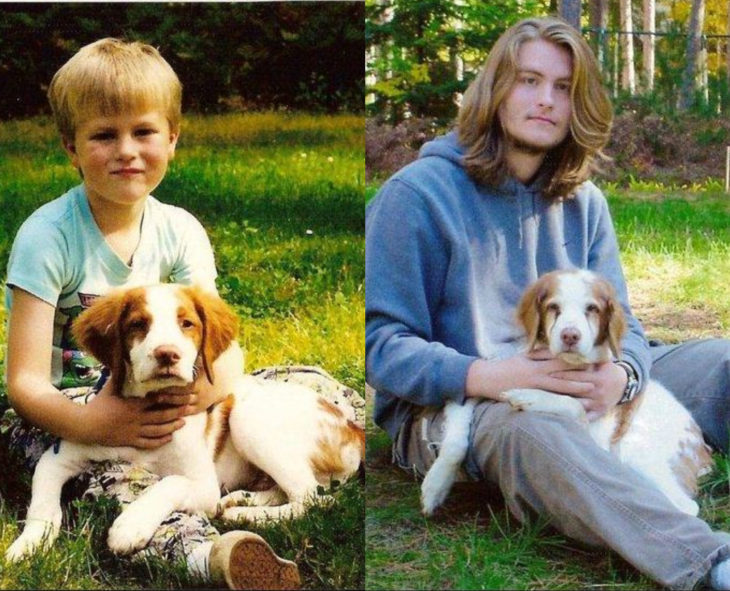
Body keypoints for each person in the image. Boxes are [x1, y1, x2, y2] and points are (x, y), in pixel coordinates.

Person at [365, 16, 730, 590]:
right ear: (494, 89)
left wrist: (625, 376)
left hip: (586, 372)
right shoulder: (415, 197)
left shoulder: (585, 201)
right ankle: (707, 561)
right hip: (469, 405)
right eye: (529, 81)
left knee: (725, 361)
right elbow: (382, 349)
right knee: (536, 433)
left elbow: (625, 325)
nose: (546, 101)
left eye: (563, 88)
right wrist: (490, 374)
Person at [2, 38, 303, 590]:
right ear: (70, 147)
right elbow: (23, 381)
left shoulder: (181, 230)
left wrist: (196, 401)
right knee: (115, 482)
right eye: (103, 135)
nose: (126, 151)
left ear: (172, 138)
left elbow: (221, 349)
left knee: (298, 383)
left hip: (171, 395)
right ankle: (203, 557)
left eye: (143, 132)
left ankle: (299, 466)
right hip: (65, 410)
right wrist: (92, 422)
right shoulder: (46, 237)